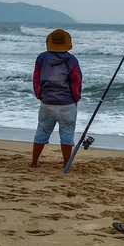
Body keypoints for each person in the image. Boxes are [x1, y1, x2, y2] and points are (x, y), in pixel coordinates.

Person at [31, 29, 82, 168]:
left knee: (42, 131)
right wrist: (76, 98)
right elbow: (76, 81)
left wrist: (39, 95)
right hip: (67, 103)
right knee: (67, 133)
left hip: (46, 102)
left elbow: (36, 79)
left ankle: (34, 162)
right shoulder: (71, 60)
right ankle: (66, 164)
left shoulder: (41, 58)